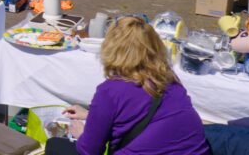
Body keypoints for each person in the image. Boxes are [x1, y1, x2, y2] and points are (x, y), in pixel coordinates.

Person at [44, 17, 209, 155]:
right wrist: (91, 115)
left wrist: (82, 135)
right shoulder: (168, 78)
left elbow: (90, 150)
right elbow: (144, 114)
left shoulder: (110, 91)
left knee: (55, 145)